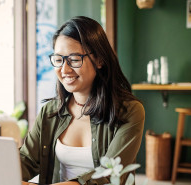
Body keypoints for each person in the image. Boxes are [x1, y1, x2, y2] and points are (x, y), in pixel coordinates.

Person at [20, 16, 145, 185]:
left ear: (99, 60)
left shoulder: (129, 111)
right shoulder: (49, 112)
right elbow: (27, 160)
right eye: (58, 60)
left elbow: (110, 174)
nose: (64, 69)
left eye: (74, 59)